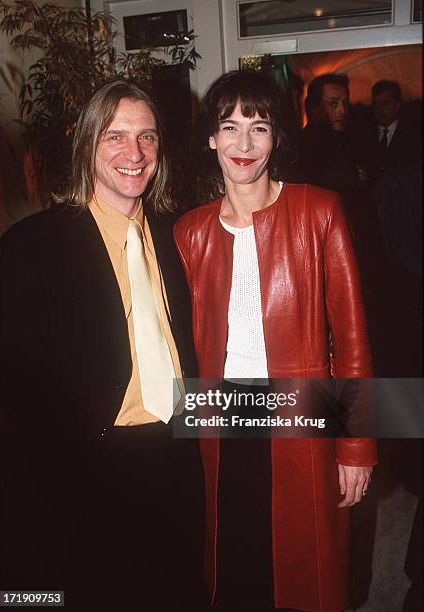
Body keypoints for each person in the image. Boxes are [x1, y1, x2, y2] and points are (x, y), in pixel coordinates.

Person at [174, 70, 377, 611]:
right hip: (221, 417)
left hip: (302, 415)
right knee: (235, 563)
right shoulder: (188, 232)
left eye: (259, 127)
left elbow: (353, 339)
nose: (244, 144)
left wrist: (356, 445)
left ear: (277, 138)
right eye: (230, 127)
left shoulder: (319, 212)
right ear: (210, 138)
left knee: (306, 570)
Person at [0, 79, 204, 609]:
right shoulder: (32, 247)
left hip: (174, 453)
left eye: (148, 138)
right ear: (87, 144)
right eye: (115, 137)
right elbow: (18, 395)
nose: (134, 154)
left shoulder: (178, 235)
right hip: (89, 470)